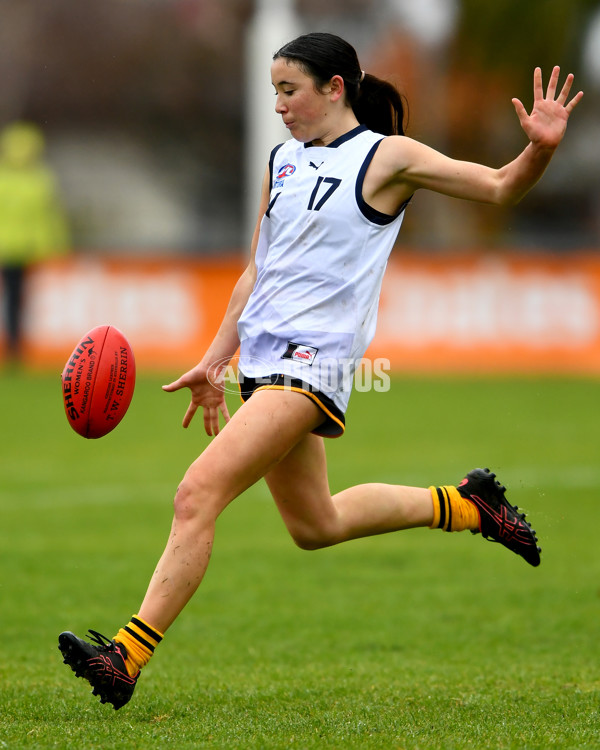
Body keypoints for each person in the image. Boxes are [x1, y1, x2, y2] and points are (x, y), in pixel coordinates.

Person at [58, 32, 583, 710]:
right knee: (316, 525)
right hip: (265, 364)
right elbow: (259, 269)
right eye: (275, 91)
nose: (277, 106)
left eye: (288, 90)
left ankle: (124, 657)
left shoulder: (387, 156)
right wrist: (216, 358)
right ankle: (468, 505)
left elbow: (499, 186)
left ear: (335, 87)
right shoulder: (282, 162)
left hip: (313, 366)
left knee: (196, 494)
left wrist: (538, 147)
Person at [0, 121, 70, 364]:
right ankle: (15, 346)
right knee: (20, 299)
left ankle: (13, 344)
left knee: (14, 298)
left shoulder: (4, 177)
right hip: (28, 248)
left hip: (6, 248)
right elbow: (51, 216)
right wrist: (56, 244)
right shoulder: (40, 179)